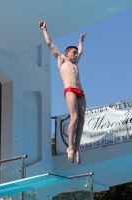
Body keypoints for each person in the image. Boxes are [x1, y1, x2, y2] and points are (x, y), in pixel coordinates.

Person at [39, 21, 86, 164]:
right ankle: (70, 148)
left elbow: (81, 50)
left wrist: (80, 41)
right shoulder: (61, 60)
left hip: (81, 91)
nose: (76, 55)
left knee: (82, 120)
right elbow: (49, 43)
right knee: (75, 117)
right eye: (74, 53)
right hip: (70, 89)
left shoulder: (75, 64)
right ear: (67, 53)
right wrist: (44, 29)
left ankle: (77, 148)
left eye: (77, 54)